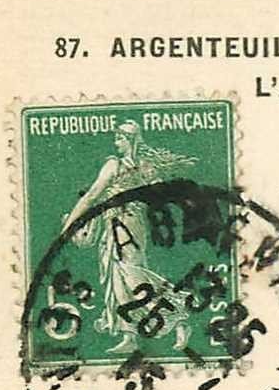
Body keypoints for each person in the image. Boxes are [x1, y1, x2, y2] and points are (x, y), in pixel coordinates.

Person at [58, 121, 197, 352]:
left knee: (133, 277)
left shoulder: (121, 165)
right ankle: (129, 337)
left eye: (120, 138)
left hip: (128, 227)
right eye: (116, 138)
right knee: (117, 279)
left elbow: (92, 196)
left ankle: (180, 318)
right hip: (115, 226)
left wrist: (70, 223)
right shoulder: (136, 166)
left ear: (130, 140)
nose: (116, 143)